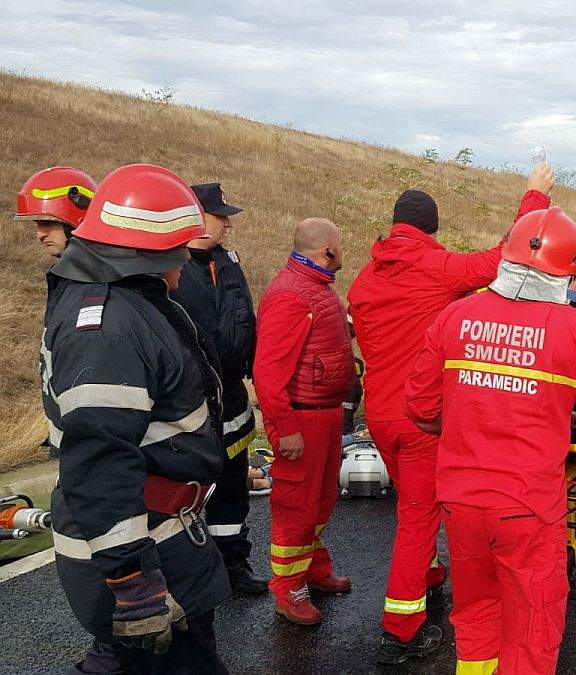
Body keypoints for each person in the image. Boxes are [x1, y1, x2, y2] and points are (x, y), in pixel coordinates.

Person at [405, 206, 576, 674]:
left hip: (461, 501)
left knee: (476, 615)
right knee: (533, 626)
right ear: (570, 269)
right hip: (528, 507)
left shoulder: (457, 316)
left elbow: (421, 409)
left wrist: (466, 422)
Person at [348, 165, 556, 665]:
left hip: (378, 414)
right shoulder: (438, 270)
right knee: (417, 517)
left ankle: (431, 577)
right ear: (432, 229)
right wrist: (534, 196)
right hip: (422, 417)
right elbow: (506, 256)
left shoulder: (365, 277)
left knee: (418, 507)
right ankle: (401, 630)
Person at [40, 163, 230, 673]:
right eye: (179, 255)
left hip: (160, 534)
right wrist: (134, 584)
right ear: (145, 253)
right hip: (142, 550)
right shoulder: (107, 329)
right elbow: (99, 459)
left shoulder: (120, 305)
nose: (182, 269)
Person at [253, 217, 356, 625]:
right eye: (341, 245)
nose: (344, 252)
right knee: (296, 506)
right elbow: (268, 371)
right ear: (328, 251)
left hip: (325, 416)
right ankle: (287, 586)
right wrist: (286, 427)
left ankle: (312, 568)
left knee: (321, 500)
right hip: (303, 419)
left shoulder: (318, 290)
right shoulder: (291, 296)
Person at [169, 182, 267, 595]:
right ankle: (189, 574)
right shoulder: (169, 267)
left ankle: (233, 565)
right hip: (190, 404)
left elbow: (244, 315)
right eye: (218, 215)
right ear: (192, 216)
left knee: (231, 488)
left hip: (232, 397)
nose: (227, 223)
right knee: (185, 492)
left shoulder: (226, 260)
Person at [14, 166, 96, 257]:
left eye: (48, 223)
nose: (40, 235)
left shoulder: (98, 270)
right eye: (38, 223)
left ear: (78, 224)